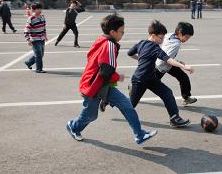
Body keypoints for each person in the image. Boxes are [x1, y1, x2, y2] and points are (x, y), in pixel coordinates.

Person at [66, 13, 157, 144]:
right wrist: (118, 77)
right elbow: (105, 72)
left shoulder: (103, 40)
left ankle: (140, 134)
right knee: (91, 115)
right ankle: (73, 126)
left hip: (103, 84)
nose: (123, 34)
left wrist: (111, 84)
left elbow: (101, 68)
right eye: (122, 32)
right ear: (113, 32)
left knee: (127, 105)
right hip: (93, 86)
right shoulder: (109, 45)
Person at [127, 20, 194, 127]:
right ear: (153, 35)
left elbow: (129, 53)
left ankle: (174, 118)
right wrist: (184, 66)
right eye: (161, 38)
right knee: (130, 105)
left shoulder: (141, 43)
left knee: (167, 93)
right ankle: (110, 101)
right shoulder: (155, 47)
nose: (163, 40)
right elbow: (168, 60)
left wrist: (142, 58)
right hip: (140, 79)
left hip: (151, 78)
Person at [155, 22, 197, 106]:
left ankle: (186, 98)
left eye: (189, 37)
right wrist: (183, 66)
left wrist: (178, 61)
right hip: (162, 66)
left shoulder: (170, 35)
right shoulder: (176, 44)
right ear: (180, 33)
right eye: (186, 37)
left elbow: (167, 53)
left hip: (166, 63)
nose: (187, 39)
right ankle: (134, 87)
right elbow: (168, 60)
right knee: (149, 82)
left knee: (183, 77)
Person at [24, 3, 48, 73]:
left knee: (41, 54)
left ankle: (28, 62)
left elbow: (44, 27)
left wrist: (45, 36)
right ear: (34, 10)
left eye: (41, 9)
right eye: (38, 9)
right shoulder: (31, 18)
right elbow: (26, 29)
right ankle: (39, 69)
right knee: (38, 54)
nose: (40, 10)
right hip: (34, 39)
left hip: (42, 38)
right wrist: (28, 39)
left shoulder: (42, 17)